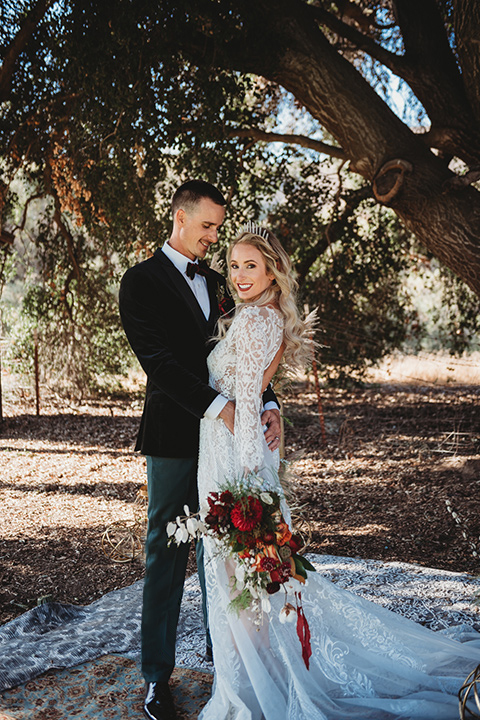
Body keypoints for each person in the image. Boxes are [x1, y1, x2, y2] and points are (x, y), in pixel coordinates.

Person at [196, 225, 480, 719]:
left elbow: (244, 405)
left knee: (242, 577)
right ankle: (258, 675)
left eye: (250, 266)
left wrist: (246, 486)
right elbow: (253, 396)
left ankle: (256, 687)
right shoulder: (255, 316)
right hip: (229, 453)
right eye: (234, 265)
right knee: (250, 579)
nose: (239, 275)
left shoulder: (256, 322)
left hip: (233, 460)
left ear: (272, 272)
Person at [119, 181, 281, 720]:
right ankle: (155, 681)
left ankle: (227, 665)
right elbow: (159, 364)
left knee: (227, 547)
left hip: (228, 439)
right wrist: (221, 409)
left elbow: (244, 356)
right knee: (166, 553)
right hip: (173, 435)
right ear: (180, 218)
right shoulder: (139, 282)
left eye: (218, 228)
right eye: (207, 226)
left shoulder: (219, 282)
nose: (215, 238)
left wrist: (271, 402)